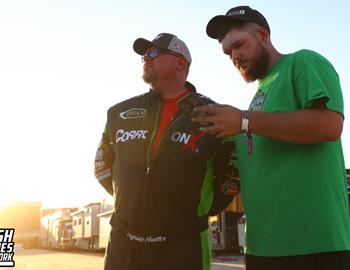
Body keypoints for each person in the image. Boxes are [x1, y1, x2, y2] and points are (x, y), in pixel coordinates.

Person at [191, 5, 350, 270]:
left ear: (263, 35)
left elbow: (329, 125)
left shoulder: (304, 62)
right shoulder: (259, 96)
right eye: (228, 52)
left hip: (313, 244)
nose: (235, 56)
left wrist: (243, 120)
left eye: (239, 45)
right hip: (261, 246)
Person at [94, 32, 239, 270]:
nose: (145, 58)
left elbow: (231, 173)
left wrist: (199, 210)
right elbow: (101, 164)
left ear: (180, 63)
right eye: (143, 55)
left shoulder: (215, 114)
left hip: (183, 244)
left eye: (153, 53)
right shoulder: (119, 112)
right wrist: (132, 201)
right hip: (124, 243)